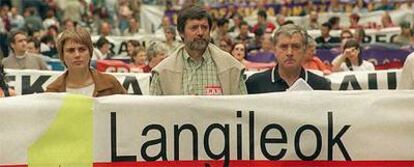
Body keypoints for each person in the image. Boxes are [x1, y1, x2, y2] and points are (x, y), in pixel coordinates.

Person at [150, 5, 246, 95]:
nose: (200, 33)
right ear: (181, 32)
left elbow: (243, 108)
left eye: (204, 27)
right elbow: (153, 110)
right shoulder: (163, 71)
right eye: (194, 28)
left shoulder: (231, 67)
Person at [246, 24, 331, 94]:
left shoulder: (321, 86)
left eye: (295, 47)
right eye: (283, 47)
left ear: (304, 50)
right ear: (275, 50)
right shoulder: (254, 84)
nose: (289, 53)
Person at [46, 27, 126, 97]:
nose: (77, 55)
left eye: (82, 49)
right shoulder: (53, 91)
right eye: (71, 50)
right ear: (62, 56)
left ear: (90, 53)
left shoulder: (111, 84)